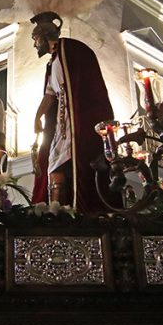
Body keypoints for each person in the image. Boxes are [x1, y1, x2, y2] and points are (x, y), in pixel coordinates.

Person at [30, 11, 115, 212]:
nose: (34, 45)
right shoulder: (52, 63)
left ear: (44, 37)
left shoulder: (71, 50)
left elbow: (87, 87)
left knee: (72, 165)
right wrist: (37, 117)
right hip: (61, 127)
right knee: (54, 167)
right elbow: (50, 95)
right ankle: (57, 213)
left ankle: (74, 211)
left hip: (77, 122)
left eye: (35, 39)